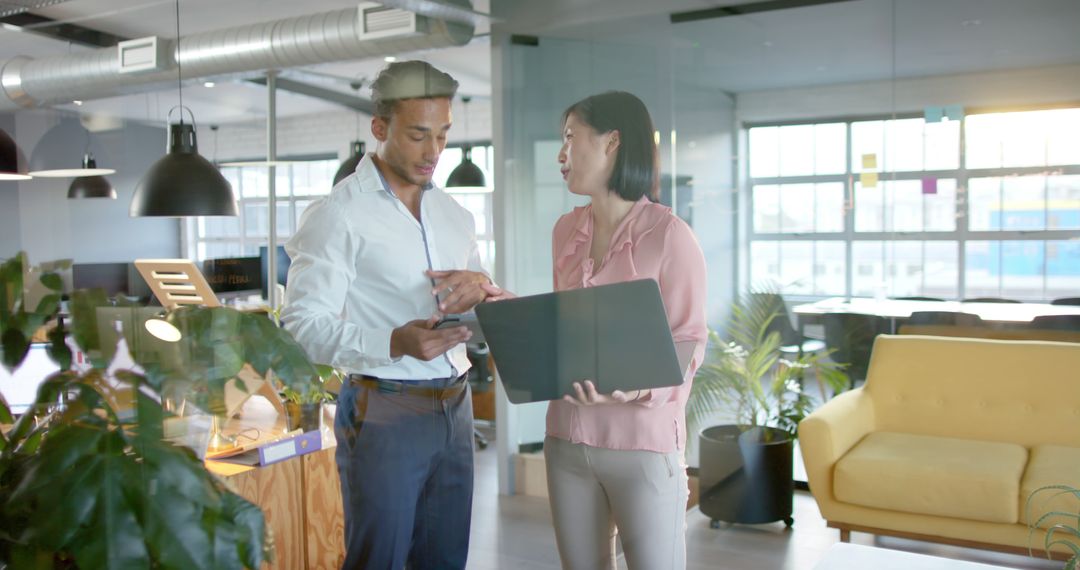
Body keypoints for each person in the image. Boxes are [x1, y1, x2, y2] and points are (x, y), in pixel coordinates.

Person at [482, 91, 708, 570]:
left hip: (642, 446)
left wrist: (633, 387)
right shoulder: (566, 230)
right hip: (566, 439)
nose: (560, 155)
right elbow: (569, 326)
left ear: (613, 142)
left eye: (570, 138)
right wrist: (502, 304)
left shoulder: (670, 235)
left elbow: (689, 339)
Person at [281, 60, 492, 570]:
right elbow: (301, 326)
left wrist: (482, 288)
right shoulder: (339, 214)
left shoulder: (454, 215)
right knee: (381, 560)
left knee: (444, 560)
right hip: (385, 409)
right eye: (419, 135)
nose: (434, 152)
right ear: (380, 129)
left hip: (456, 407)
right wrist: (393, 341)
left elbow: (479, 291)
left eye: (442, 135)